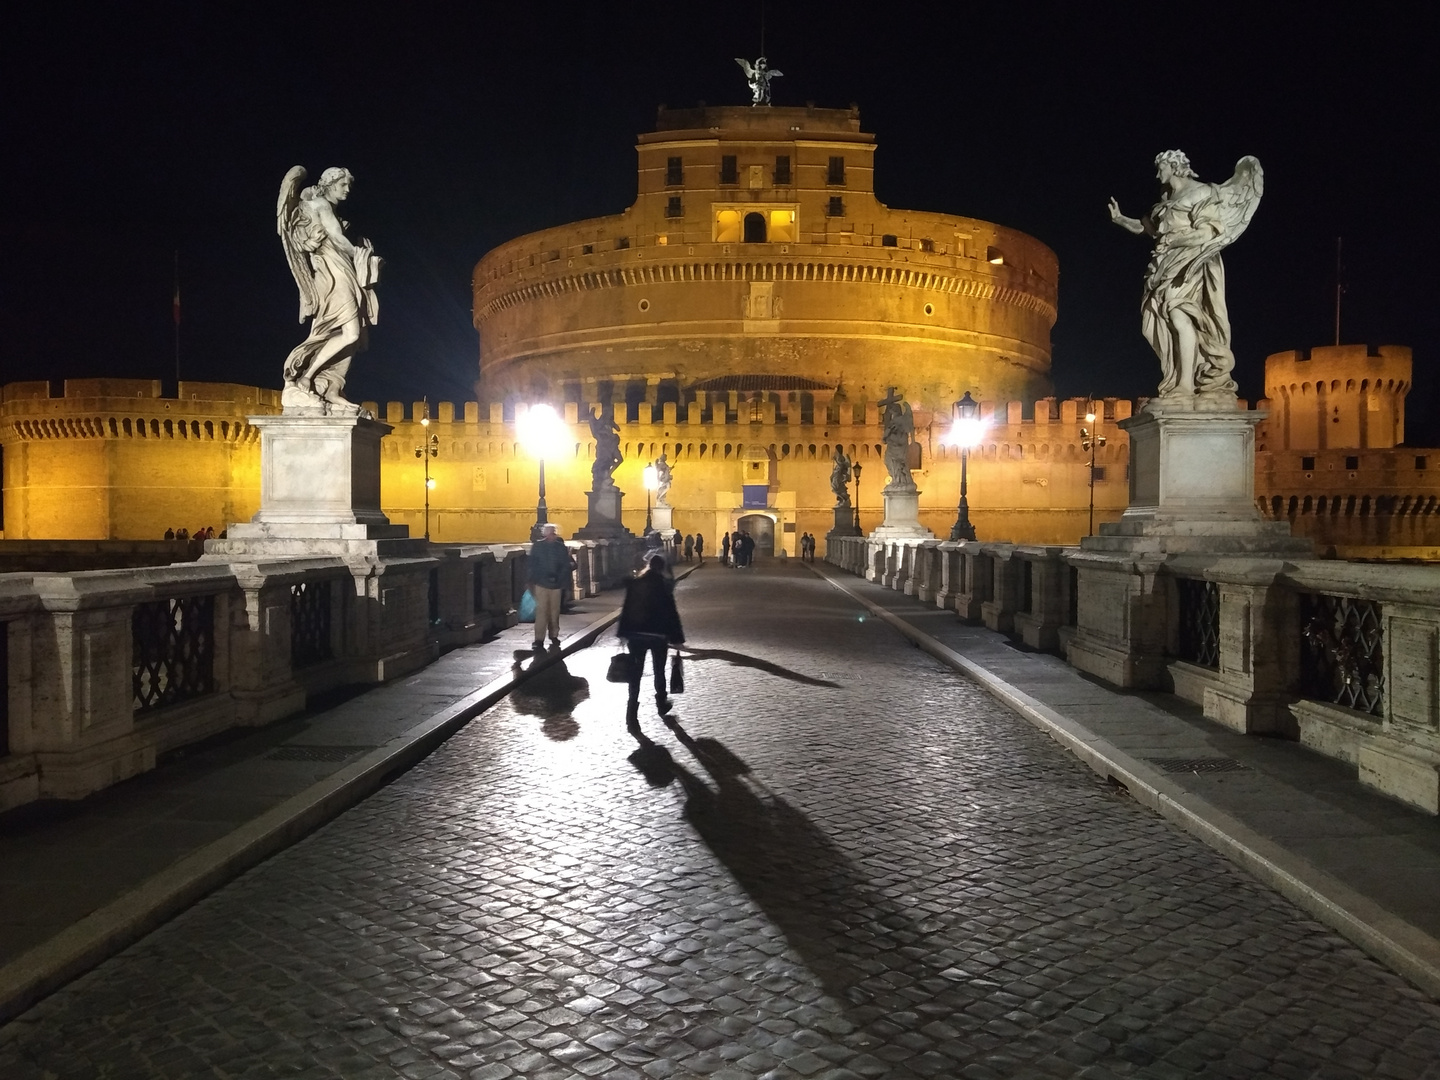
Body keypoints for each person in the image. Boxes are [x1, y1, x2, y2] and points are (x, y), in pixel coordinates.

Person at [1108, 150, 1263, 399]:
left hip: (1191, 260)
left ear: (1174, 166)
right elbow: (1149, 229)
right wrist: (1121, 220)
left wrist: (1175, 240)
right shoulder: (1166, 198)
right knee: (1158, 324)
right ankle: (1178, 379)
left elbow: (1206, 233)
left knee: (1179, 315)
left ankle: (1186, 385)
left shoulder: (1202, 192)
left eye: (1161, 168)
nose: (1158, 174)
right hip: (1164, 263)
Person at [276, 166, 382, 416]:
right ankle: (307, 378)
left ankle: (332, 387)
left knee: (354, 334)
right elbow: (336, 238)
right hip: (333, 275)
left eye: (348, 186)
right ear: (330, 184)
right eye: (342, 185)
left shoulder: (327, 208)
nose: (346, 190)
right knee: (350, 331)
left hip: (342, 271)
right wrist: (364, 255)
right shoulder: (320, 205)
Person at [618, 554, 686, 726]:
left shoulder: (635, 584)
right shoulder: (664, 586)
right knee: (659, 671)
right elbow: (672, 613)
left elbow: (627, 609)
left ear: (648, 565)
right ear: (662, 568)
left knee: (635, 672)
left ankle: (631, 709)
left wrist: (623, 633)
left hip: (637, 635)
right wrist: (677, 638)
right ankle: (661, 703)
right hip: (658, 635)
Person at [527, 523, 573, 652]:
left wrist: (564, 583)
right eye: (551, 532)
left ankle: (554, 634)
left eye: (554, 532)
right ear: (545, 534)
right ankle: (539, 639)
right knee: (541, 612)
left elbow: (565, 566)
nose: (553, 535)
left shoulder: (560, 547)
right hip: (541, 583)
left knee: (554, 611)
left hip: (556, 583)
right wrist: (531, 581)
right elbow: (532, 565)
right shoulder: (538, 546)